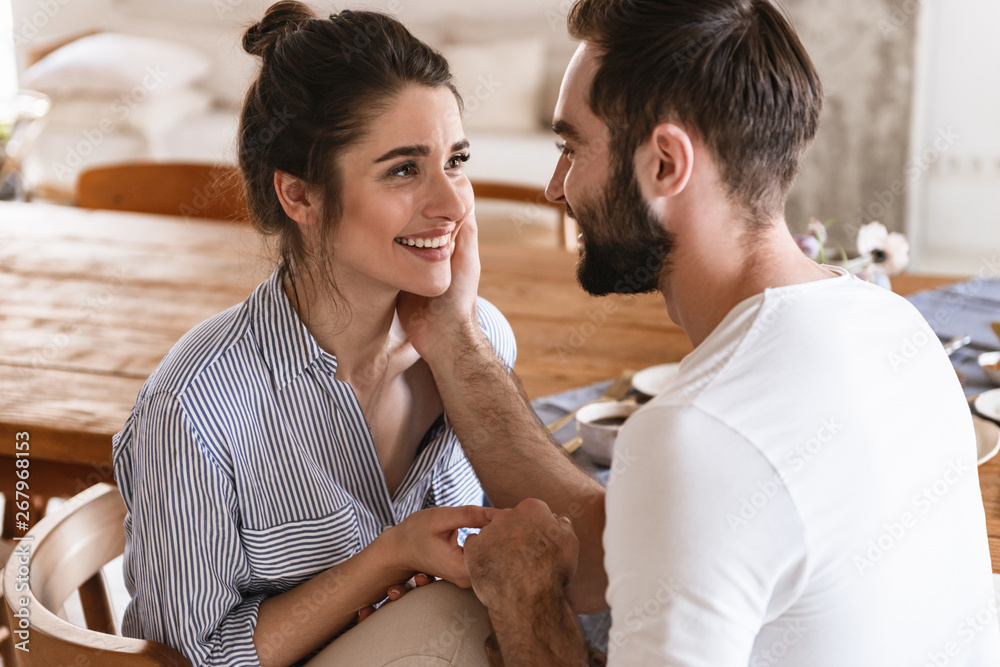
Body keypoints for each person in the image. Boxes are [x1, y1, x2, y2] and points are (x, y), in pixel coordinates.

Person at [395, 0, 1000, 665]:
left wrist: (527, 603)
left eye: (571, 148)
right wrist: (456, 340)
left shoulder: (701, 433)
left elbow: (703, 477)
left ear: (664, 165)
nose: (555, 188)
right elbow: (626, 543)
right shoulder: (897, 326)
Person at [111, 4, 514, 666]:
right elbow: (191, 657)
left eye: (456, 160)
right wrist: (394, 553)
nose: (453, 203)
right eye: (404, 169)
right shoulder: (196, 408)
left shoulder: (480, 340)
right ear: (300, 197)